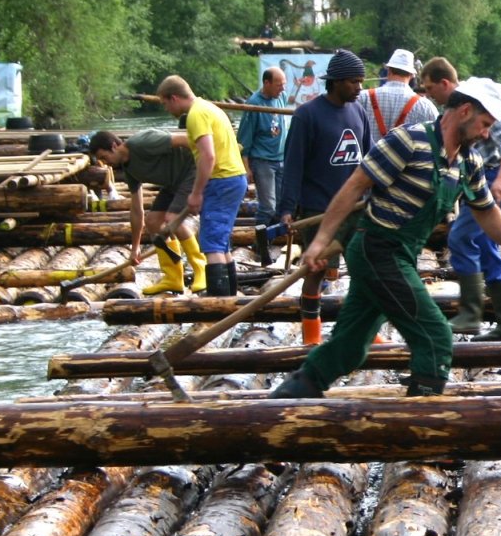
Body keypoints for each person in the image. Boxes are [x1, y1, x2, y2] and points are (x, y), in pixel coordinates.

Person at [268, 78, 501, 399]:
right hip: (377, 251)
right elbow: (353, 186)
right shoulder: (408, 141)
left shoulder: (468, 161)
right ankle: (419, 427)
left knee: (349, 346)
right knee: (435, 337)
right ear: (464, 111)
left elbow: (486, 210)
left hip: (402, 255)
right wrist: (319, 242)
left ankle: (285, 402)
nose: (486, 134)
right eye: (484, 124)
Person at [421, 59, 501, 340]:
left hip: (490, 178)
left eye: (431, 88)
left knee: (461, 238)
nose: (428, 94)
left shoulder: (479, 104)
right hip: (475, 176)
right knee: (484, 244)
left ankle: (471, 313)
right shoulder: (452, 112)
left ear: (445, 85)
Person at [275, 50, 370, 344]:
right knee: (315, 271)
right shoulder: (308, 115)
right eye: (354, 82)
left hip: (355, 209)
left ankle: (365, 330)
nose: (359, 88)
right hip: (319, 208)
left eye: (361, 82)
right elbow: (293, 164)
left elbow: (368, 161)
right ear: (336, 82)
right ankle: (311, 331)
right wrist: (287, 208)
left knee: (363, 270)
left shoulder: (359, 112)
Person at [154, 76, 248, 297]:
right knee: (220, 243)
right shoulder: (210, 108)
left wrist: (196, 193)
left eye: (166, 103)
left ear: (174, 98)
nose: (167, 109)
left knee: (211, 243)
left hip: (222, 180)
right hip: (233, 179)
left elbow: (208, 156)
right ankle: (228, 299)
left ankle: (217, 304)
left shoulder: (196, 116)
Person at [89, 129, 211, 295]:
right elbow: (137, 209)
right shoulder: (129, 170)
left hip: (191, 172)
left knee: (173, 218)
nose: (105, 163)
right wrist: (135, 247)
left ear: (114, 146)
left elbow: (187, 140)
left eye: (104, 157)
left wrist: (209, 161)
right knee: (153, 221)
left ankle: (201, 268)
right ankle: (173, 278)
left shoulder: (143, 142)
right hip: (172, 183)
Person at [237, 67, 289, 224]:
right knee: (268, 207)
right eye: (279, 85)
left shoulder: (282, 97)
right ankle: (258, 242)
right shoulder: (253, 104)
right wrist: (246, 168)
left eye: (284, 84)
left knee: (281, 205)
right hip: (262, 160)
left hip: (281, 158)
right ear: (267, 83)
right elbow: (244, 139)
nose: (282, 89)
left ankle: (271, 239)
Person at [359, 47, 436, 146]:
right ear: (412, 75)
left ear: (389, 70)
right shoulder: (426, 107)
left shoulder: (363, 98)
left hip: (368, 160)